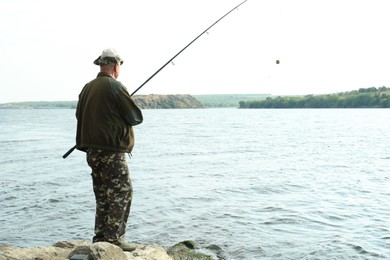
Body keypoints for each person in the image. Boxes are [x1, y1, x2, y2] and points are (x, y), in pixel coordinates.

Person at [75, 48, 143, 251]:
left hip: (92, 153)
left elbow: (80, 116)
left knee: (103, 194)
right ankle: (113, 240)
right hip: (111, 153)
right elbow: (135, 117)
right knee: (122, 192)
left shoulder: (87, 88)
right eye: (120, 65)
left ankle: (101, 238)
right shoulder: (115, 86)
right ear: (116, 65)